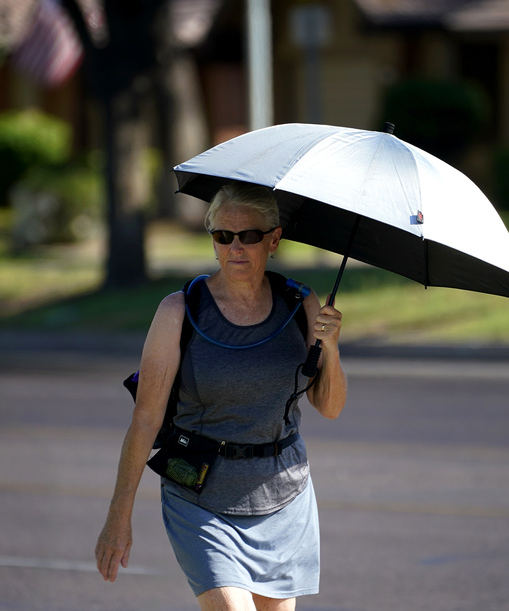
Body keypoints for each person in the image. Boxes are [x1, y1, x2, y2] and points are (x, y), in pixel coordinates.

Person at [95, 182, 347, 611]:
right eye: (222, 236)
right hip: (201, 493)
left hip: (284, 495)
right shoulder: (180, 311)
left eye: (249, 235)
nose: (235, 247)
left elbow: (329, 406)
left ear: (274, 239)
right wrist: (119, 515)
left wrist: (333, 347)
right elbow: (145, 418)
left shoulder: (300, 303)